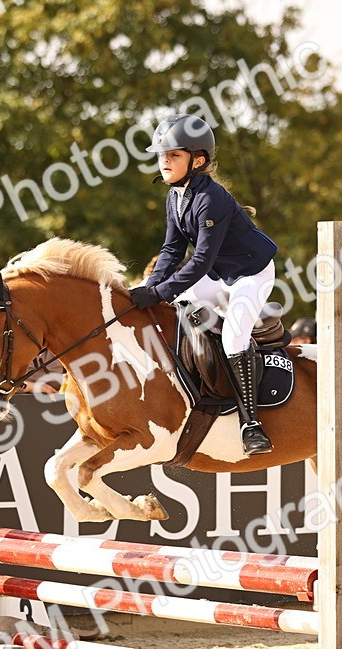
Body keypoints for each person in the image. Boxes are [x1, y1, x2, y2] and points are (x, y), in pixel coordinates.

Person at [129, 113, 279, 456]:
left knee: (234, 336)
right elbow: (171, 250)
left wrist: (157, 291)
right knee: (171, 308)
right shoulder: (174, 196)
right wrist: (151, 287)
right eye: (162, 155)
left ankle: (251, 424)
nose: (164, 161)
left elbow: (201, 262)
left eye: (174, 155)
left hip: (250, 275)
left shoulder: (212, 198)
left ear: (197, 160)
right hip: (218, 274)